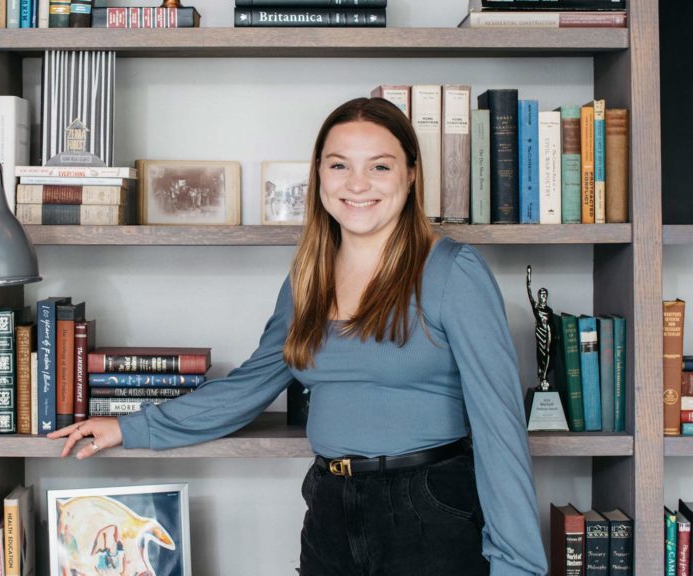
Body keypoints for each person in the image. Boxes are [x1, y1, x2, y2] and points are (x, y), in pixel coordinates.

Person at [49, 97, 548, 576]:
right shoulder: (308, 277)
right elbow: (251, 385)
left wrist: (518, 566)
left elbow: (500, 428)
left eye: (379, 166)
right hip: (330, 506)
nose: (357, 184)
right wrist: (129, 427)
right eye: (338, 166)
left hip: (430, 508)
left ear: (411, 173)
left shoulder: (453, 272)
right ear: (318, 175)